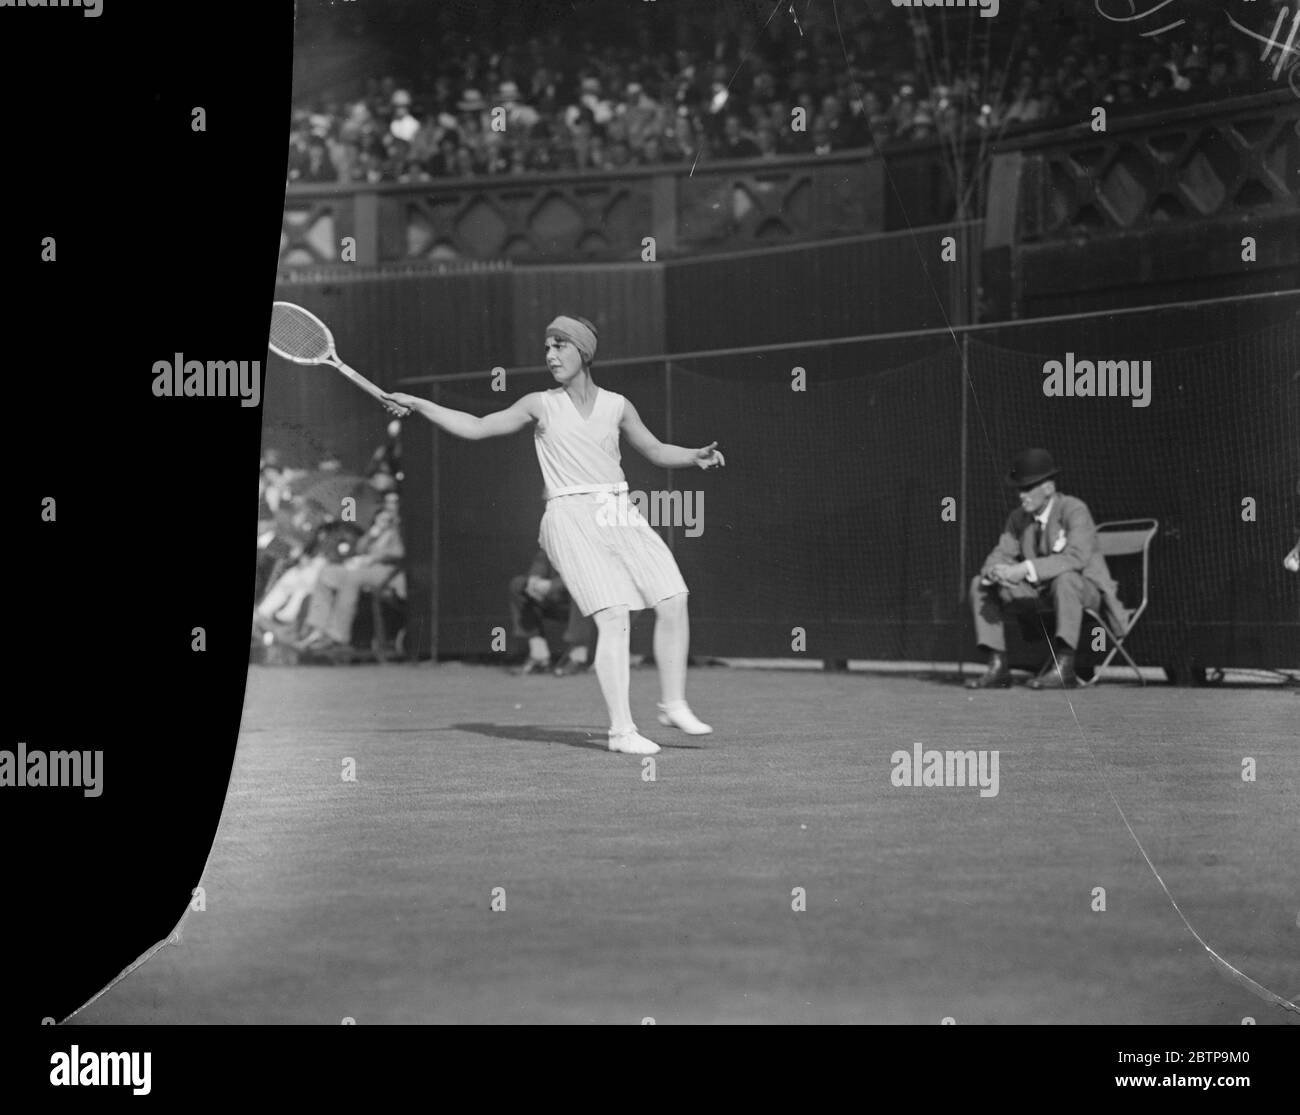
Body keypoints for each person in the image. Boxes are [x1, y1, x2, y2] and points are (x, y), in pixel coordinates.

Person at [381, 315, 725, 755]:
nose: (550, 355)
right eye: (547, 347)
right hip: (568, 515)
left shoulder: (617, 405)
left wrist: (693, 455)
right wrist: (420, 404)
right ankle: (621, 732)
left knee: (674, 597)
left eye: (560, 345)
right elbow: (478, 426)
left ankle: (673, 704)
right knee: (613, 617)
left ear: (583, 352)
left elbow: (656, 450)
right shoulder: (540, 404)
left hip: (618, 510)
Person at [967, 449, 1128, 691]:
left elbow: (1076, 557)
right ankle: (998, 666)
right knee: (980, 583)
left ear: (1048, 488)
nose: (1022, 496)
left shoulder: (1074, 509)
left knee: (1066, 578)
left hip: (1084, 591)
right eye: (1019, 489)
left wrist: (1024, 568)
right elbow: (1000, 553)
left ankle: (1065, 666)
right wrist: (994, 571)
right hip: (1041, 594)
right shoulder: (1017, 518)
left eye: (1028, 488)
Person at [299, 498, 406, 652]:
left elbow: (400, 552)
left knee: (352, 579)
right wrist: (372, 534)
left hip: (386, 571)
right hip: (364, 568)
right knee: (326, 573)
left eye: (394, 504)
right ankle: (318, 628)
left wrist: (377, 556)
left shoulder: (399, 527)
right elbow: (360, 548)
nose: (390, 508)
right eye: (387, 504)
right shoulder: (379, 527)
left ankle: (338, 635)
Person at [510, 549, 597, 676]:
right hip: (554, 600)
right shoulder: (555, 537)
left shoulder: (588, 541)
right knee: (518, 584)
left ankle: (578, 657)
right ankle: (539, 655)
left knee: (583, 588)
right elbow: (542, 560)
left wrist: (552, 585)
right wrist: (534, 581)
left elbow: (587, 574)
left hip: (587, 609)